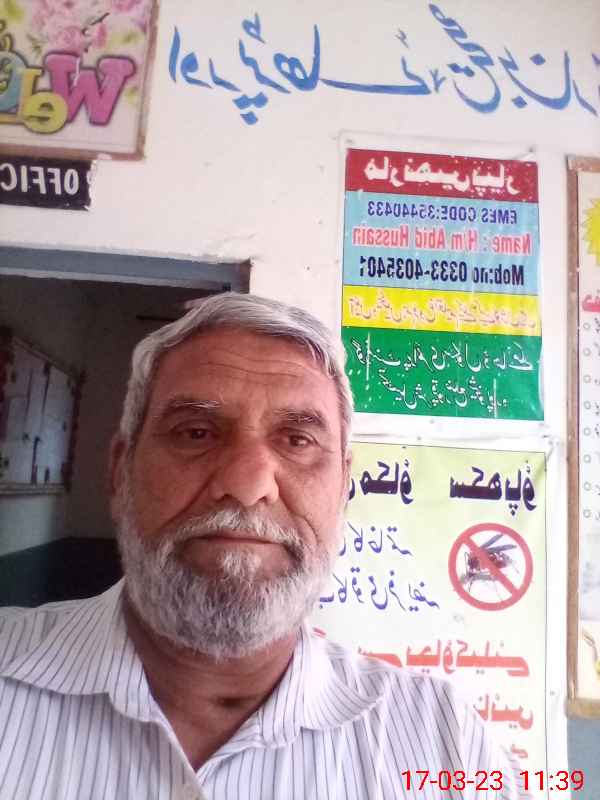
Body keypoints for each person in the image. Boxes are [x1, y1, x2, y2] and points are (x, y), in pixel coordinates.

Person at [0, 293, 524, 799]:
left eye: (298, 440)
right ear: (120, 472)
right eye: (196, 433)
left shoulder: (449, 745)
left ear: (343, 486)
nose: (248, 485)